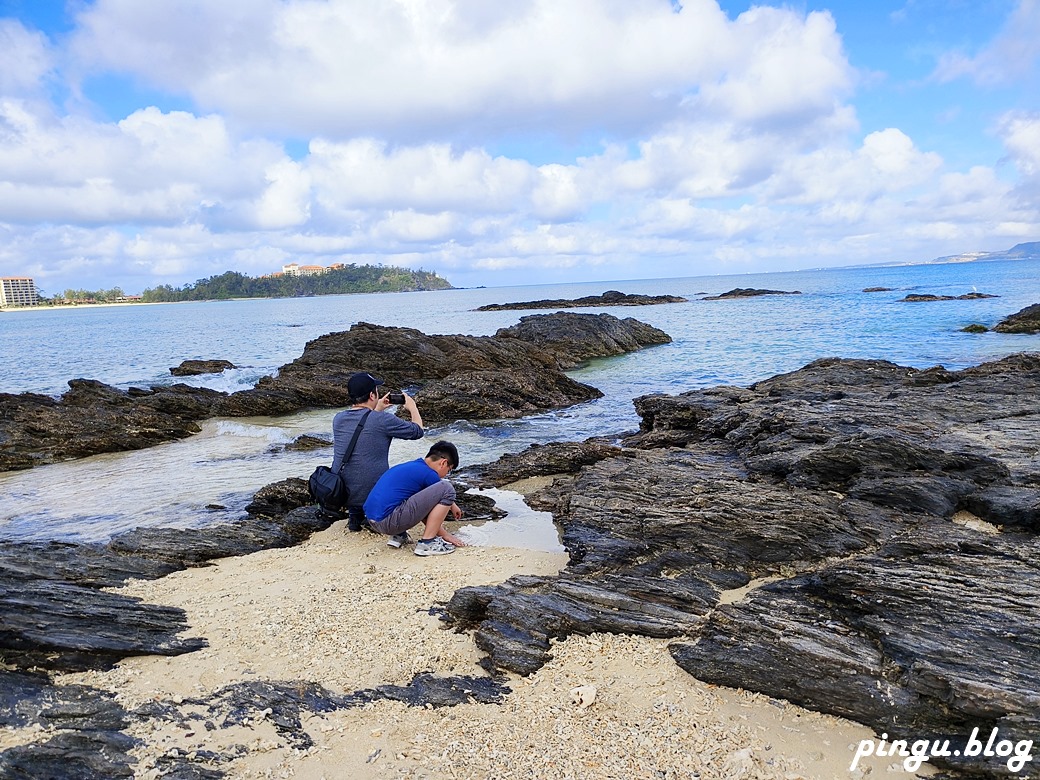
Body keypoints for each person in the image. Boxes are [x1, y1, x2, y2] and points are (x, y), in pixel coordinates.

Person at [331, 372, 425, 532]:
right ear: (372, 394)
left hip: (343, 493)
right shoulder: (383, 420)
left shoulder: (338, 419)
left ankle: (355, 516)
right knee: (412, 475)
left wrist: (377, 408)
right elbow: (417, 431)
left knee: (359, 466)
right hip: (371, 494)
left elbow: (366, 427)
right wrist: (412, 407)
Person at [363, 441, 467, 557]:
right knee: (447, 487)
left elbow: (421, 504)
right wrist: (446, 535)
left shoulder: (413, 466)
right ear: (443, 463)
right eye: (449, 470)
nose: (446, 475)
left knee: (404, 495)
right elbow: (443, 494)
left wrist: (453, 506)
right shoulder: (430, 474)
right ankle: (427, 543)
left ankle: (399, 536)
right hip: (388, 522)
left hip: (372, 520)